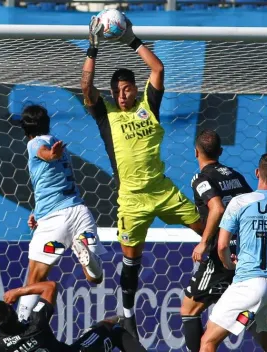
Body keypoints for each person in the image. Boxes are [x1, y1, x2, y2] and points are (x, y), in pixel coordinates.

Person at [80, 15, 203, 339]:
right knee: (131, 261)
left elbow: (158, 69)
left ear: (135, 89)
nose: (122, 95)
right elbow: (85, 87)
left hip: (162, 190)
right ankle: (127, 315)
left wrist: (131, 39)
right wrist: (93, 49)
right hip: (131, 201)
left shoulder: (148, 103)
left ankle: (228, 273)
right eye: (117, 91)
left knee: (209, 233)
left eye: (126, 89)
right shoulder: (106, 113)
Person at [199, 152, 267, 352]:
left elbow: (222, 246)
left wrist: (230, 265)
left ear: (257, 173)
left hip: (248, 286)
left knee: (208, 342)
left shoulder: (239, 203)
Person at [17, 104, 107, 322]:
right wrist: (36, 213)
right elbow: (52, 182)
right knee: (95, 278)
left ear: (26, 128)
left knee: (34, 279)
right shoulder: (58, 143)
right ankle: (89, 259)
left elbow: (44, 154)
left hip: (55, 223)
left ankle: (18, 329)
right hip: (80, 213)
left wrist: (50, 155)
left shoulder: (35, 143)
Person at [180, 129, 252, 352]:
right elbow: (251, 206)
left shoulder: (201, 178)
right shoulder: (235, 175)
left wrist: (204, 242)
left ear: (196, 152)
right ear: (220, 152)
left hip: (219, 255)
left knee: (189, 309)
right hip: (243, 253)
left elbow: (217, 207)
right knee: (248, 317)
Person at [0, 281, 148, 352]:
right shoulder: (36, 325)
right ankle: (119, 320)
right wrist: (17, 292)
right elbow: (50, 287)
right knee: (112, 328)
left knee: (96, 330)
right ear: (13, 311)